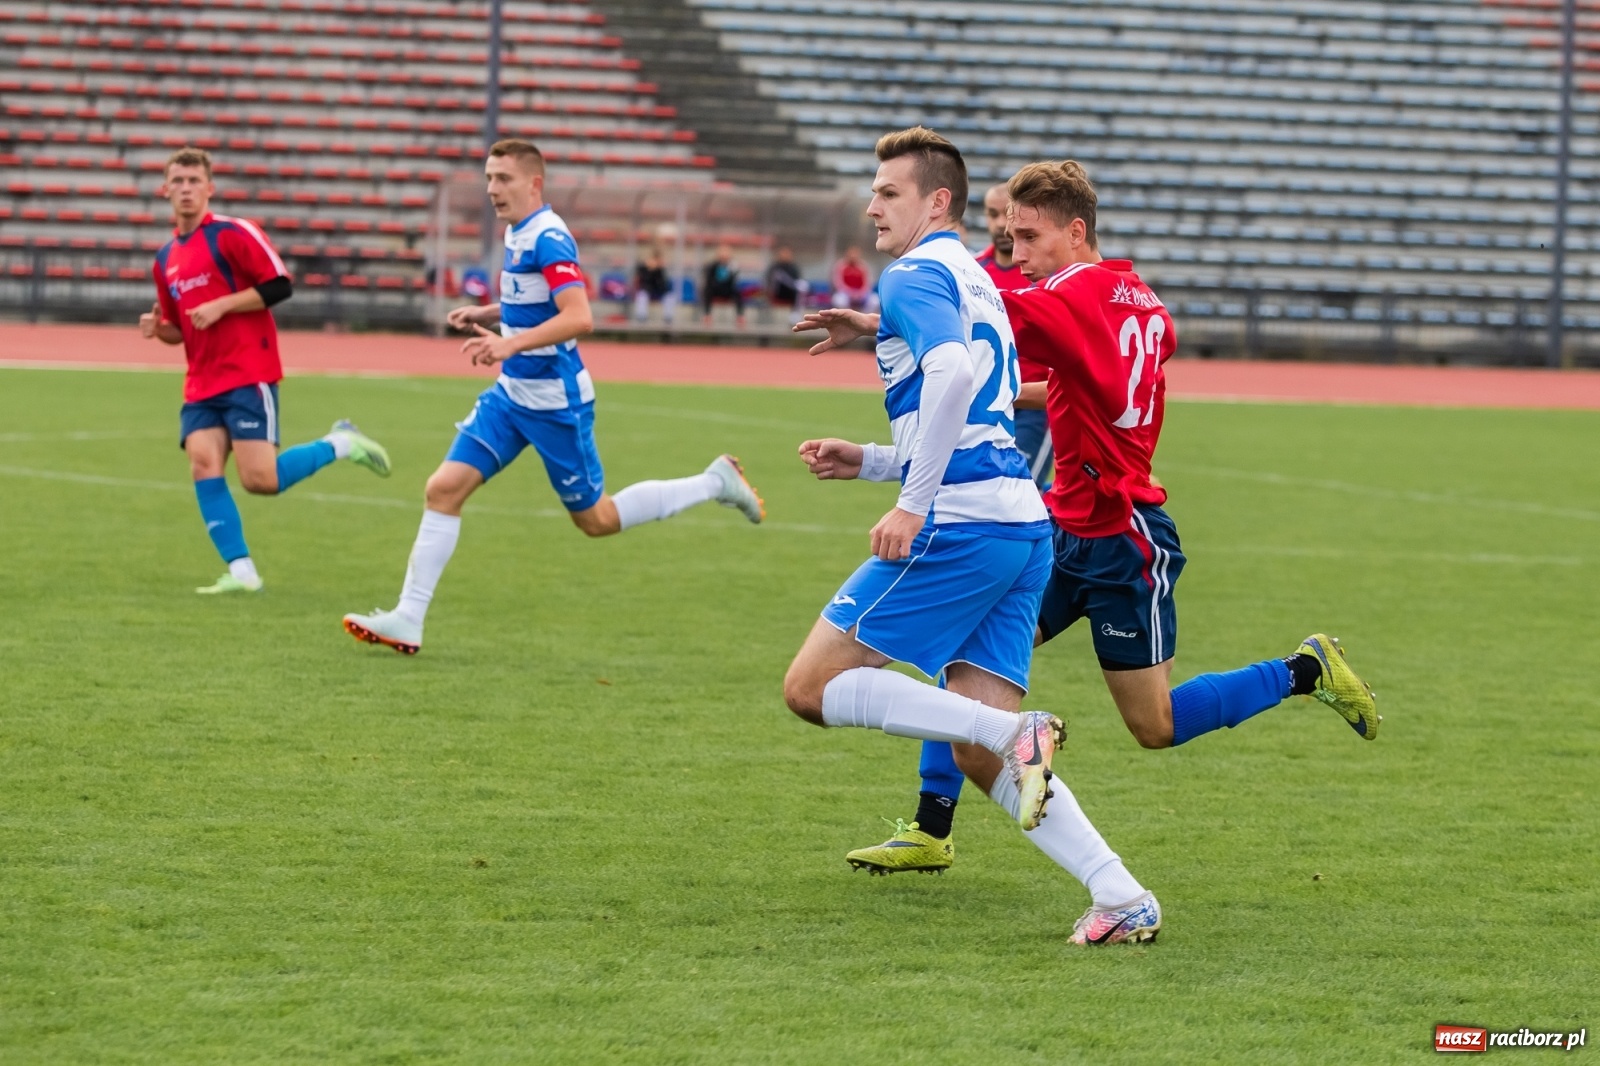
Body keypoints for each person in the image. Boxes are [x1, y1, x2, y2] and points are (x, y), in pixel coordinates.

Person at [798, 161, 1379, 943]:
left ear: (1076, 230)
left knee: (1154, 724)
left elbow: (972, 321)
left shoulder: (1066, 296)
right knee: (961, 689)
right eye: (1006, 235)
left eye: (1028, 235)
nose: (1015, 251)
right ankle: (958, 833)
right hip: (1051, 527)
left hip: (1121, 532)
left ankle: (1301, 671)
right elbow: (1064, 367)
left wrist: (887, 320)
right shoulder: (1139, 300)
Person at [787, 127, 1161, 945]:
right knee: (976, 755)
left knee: (811, 689)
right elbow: (980, 419)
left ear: (937, 201)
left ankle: (1013, 732)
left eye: (888, 192)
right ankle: (1121, 895)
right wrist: (880, 462)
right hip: (1022, 524)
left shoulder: (916, 272)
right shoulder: (976, 282)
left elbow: (954, 379)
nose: (872, 204)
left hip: (958, 522)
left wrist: (912, 503)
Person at [342, 139, 765, 654]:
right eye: (489, 178)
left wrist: (508, 343)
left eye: (503, 179)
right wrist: (488, 314)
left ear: (533, 183)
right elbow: (534, 302)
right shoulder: (517, 231)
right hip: (511, 396)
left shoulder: (549, 236)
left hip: (555, 404)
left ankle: (713, 481)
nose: (493, 188)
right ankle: (409, 617)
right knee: (443, 489)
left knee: (597, 520)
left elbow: (578, 316)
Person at [140, 146, 391, 595]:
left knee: (261, 480)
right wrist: (158, 330)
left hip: (247, 371)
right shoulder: (165, 260)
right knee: (203, 464)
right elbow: (180, 328)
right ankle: (242, 572)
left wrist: (222, 305)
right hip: (201, 382)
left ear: (209, 188)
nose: (185, 189)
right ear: (164, 190)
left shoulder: (233, 234)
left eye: (194, 181)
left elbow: (279, 286)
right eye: (177, 181)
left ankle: (340, 443)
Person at [977, 182, 1052, 489]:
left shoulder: (1045, 274)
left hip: (1035, 406)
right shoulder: (973, 271)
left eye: (1005, 214)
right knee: (983, 491)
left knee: (1018, 490)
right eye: (991, 214)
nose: (998, 224)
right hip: (986, 404)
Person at [700, 244, 744, 324]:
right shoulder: (713, 265)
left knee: (737, 292)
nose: (724, 255)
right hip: (716, 289)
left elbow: (734, 280)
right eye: (722, 252)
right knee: (707, 290)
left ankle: (740, 316)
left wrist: (732, 268)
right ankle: (707, 314)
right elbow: (709, 279)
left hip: (727, 289)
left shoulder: (732, 265)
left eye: (726, 252)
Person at [765, 245, 806, 321]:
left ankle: (794, 316)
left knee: (798, 291)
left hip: (790, 292)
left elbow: (797, 281)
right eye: (784, 253)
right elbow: (769, 280)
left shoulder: (793, 267)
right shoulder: (775, 267)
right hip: (778, 291)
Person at [830, 245, 874, 311]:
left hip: (861, 294)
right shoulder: (840, 266)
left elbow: (867, 283)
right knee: (839, 300)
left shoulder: (863, 266)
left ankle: (865, 318)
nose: (853, 256)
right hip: (845, 293)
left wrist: (860, 293)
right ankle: (845, 318)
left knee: (874, 300)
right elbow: (838, 283)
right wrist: (850, 293)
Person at [632, 249, 671, 322]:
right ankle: (641, 318)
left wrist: (657, 270)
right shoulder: (643, 269)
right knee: (642, 296)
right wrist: (650, 270)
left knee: (669, 297)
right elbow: (644, 282)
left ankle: (668, 319)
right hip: (647, 290)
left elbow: (662, 284)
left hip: (658, 291)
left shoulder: (659, 270)